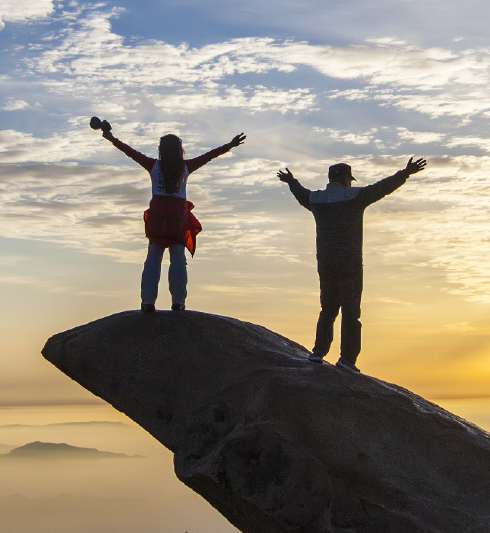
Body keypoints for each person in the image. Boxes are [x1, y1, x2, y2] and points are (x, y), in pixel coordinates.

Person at [278, 156, 425, 370]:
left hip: (326, 262)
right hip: (350, 262)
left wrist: (291, 181)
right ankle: (347, 359)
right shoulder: (355, 197)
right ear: (346, 179)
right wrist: (405, 173)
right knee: (351, 312)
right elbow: (382, 188)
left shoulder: (316, 200)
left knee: (327, 309)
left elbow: (301, 193)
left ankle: (318, 352)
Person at [97, 119, 244, 313]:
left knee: (153, 257)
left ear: (161, 150)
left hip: (157, 216)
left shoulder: (154, 166)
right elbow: (209, 156)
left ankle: (147, 302)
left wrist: (110, 138)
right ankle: (178, 301)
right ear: (179, 150)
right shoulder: (185, 167)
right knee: (177, 257)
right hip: (177, 217)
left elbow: (129, 151)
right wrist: (230, 145)